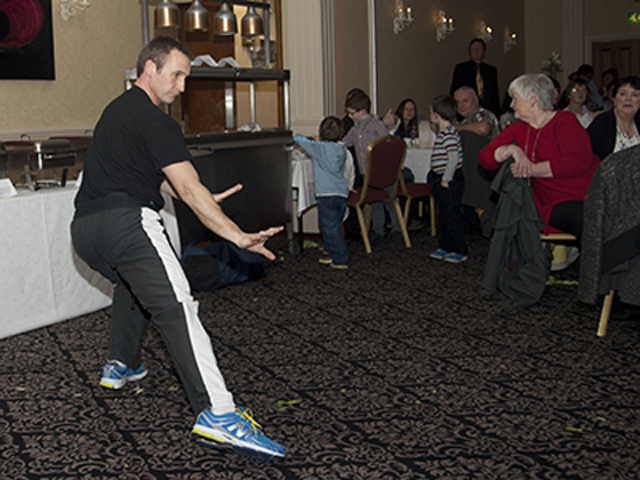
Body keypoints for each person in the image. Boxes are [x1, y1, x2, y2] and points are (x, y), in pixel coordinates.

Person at [70, 36, 286, 460]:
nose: (182, 86)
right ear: (149, 68)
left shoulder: (116, 110)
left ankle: (122, 363)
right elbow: (186, 187)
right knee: (179, 307)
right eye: (177, 74)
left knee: (135, 285)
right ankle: (218, 414)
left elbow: (153, 178)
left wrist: (201, 196)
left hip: (85, 231)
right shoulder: (157, 121)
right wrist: (237, 236)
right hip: (128, 223)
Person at [479, 73, 600, 243]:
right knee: (589, 221)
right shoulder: (519, 129)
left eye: (515, 98)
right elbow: (485, 158)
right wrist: (511, 149)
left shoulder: (564, 120)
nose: (512, 104)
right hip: (553, 203)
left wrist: (532, 169)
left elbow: (578, 161)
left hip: (589, 192)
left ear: (532, 99)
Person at [342, 90, 402, 244]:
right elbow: (345, 142)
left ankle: (397, 230)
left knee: (389, 201)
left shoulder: (376, 125)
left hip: (383, 172)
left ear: (362, 111)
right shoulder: (355, 128)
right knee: (375, 203)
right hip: (366, 173)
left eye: (352, 113)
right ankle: (378, 230)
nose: (349, 116)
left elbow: (387, 144)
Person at [294, 117, 350, 269]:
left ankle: (340, 258)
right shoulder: (341, 149)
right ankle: (333, 254)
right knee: (333, 226)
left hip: (326, 195)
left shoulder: (320, 149)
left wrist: (313, 139)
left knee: (330, 228)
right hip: (341, 193)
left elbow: (299, 139)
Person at [428, 95, 467, 264]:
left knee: (452, 215)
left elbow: (453, 158)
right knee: (443, 214)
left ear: (436, 115)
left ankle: (459, 249)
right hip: (442, 178)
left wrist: (446, 179)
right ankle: (445, 246)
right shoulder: (444, 133)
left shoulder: (449, 134)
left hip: (450, 179)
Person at [588, 76, 640, 161]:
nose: (628, 99)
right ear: (614, 99)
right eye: (623, 94)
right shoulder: (602, 123)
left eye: (635, 95)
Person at [450, 38, 501, 118]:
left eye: (479, 49)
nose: (476, 51)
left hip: (488, 110)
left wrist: (497, 112)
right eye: (473, 49)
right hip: (468, 111)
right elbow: (455, 91)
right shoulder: (462, 69)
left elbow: (494, 93)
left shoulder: (491, 70)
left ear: (484, 51)